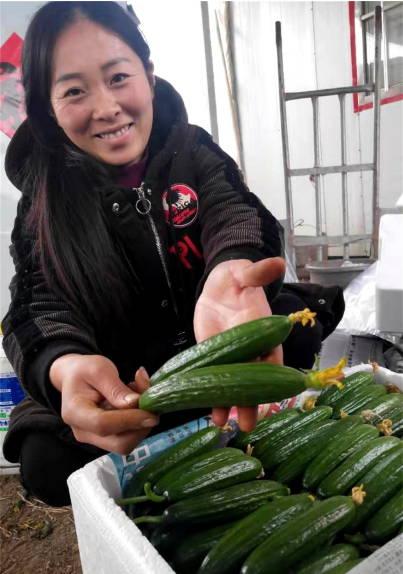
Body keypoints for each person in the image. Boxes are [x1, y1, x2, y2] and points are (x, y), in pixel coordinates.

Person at [1, 1, 344, 507]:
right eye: (74, 91)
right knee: (45, 461)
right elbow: (36, 306)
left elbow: (235, 211)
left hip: (213, 355)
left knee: (296, 333)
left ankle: (228, 446)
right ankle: (160, 487)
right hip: (129, 384)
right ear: (49, 109)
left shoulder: (192, 149)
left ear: (148, 74)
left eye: (118, 77)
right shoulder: (42, 201)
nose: (106, 107)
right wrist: (67, 366)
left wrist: (232, 266)